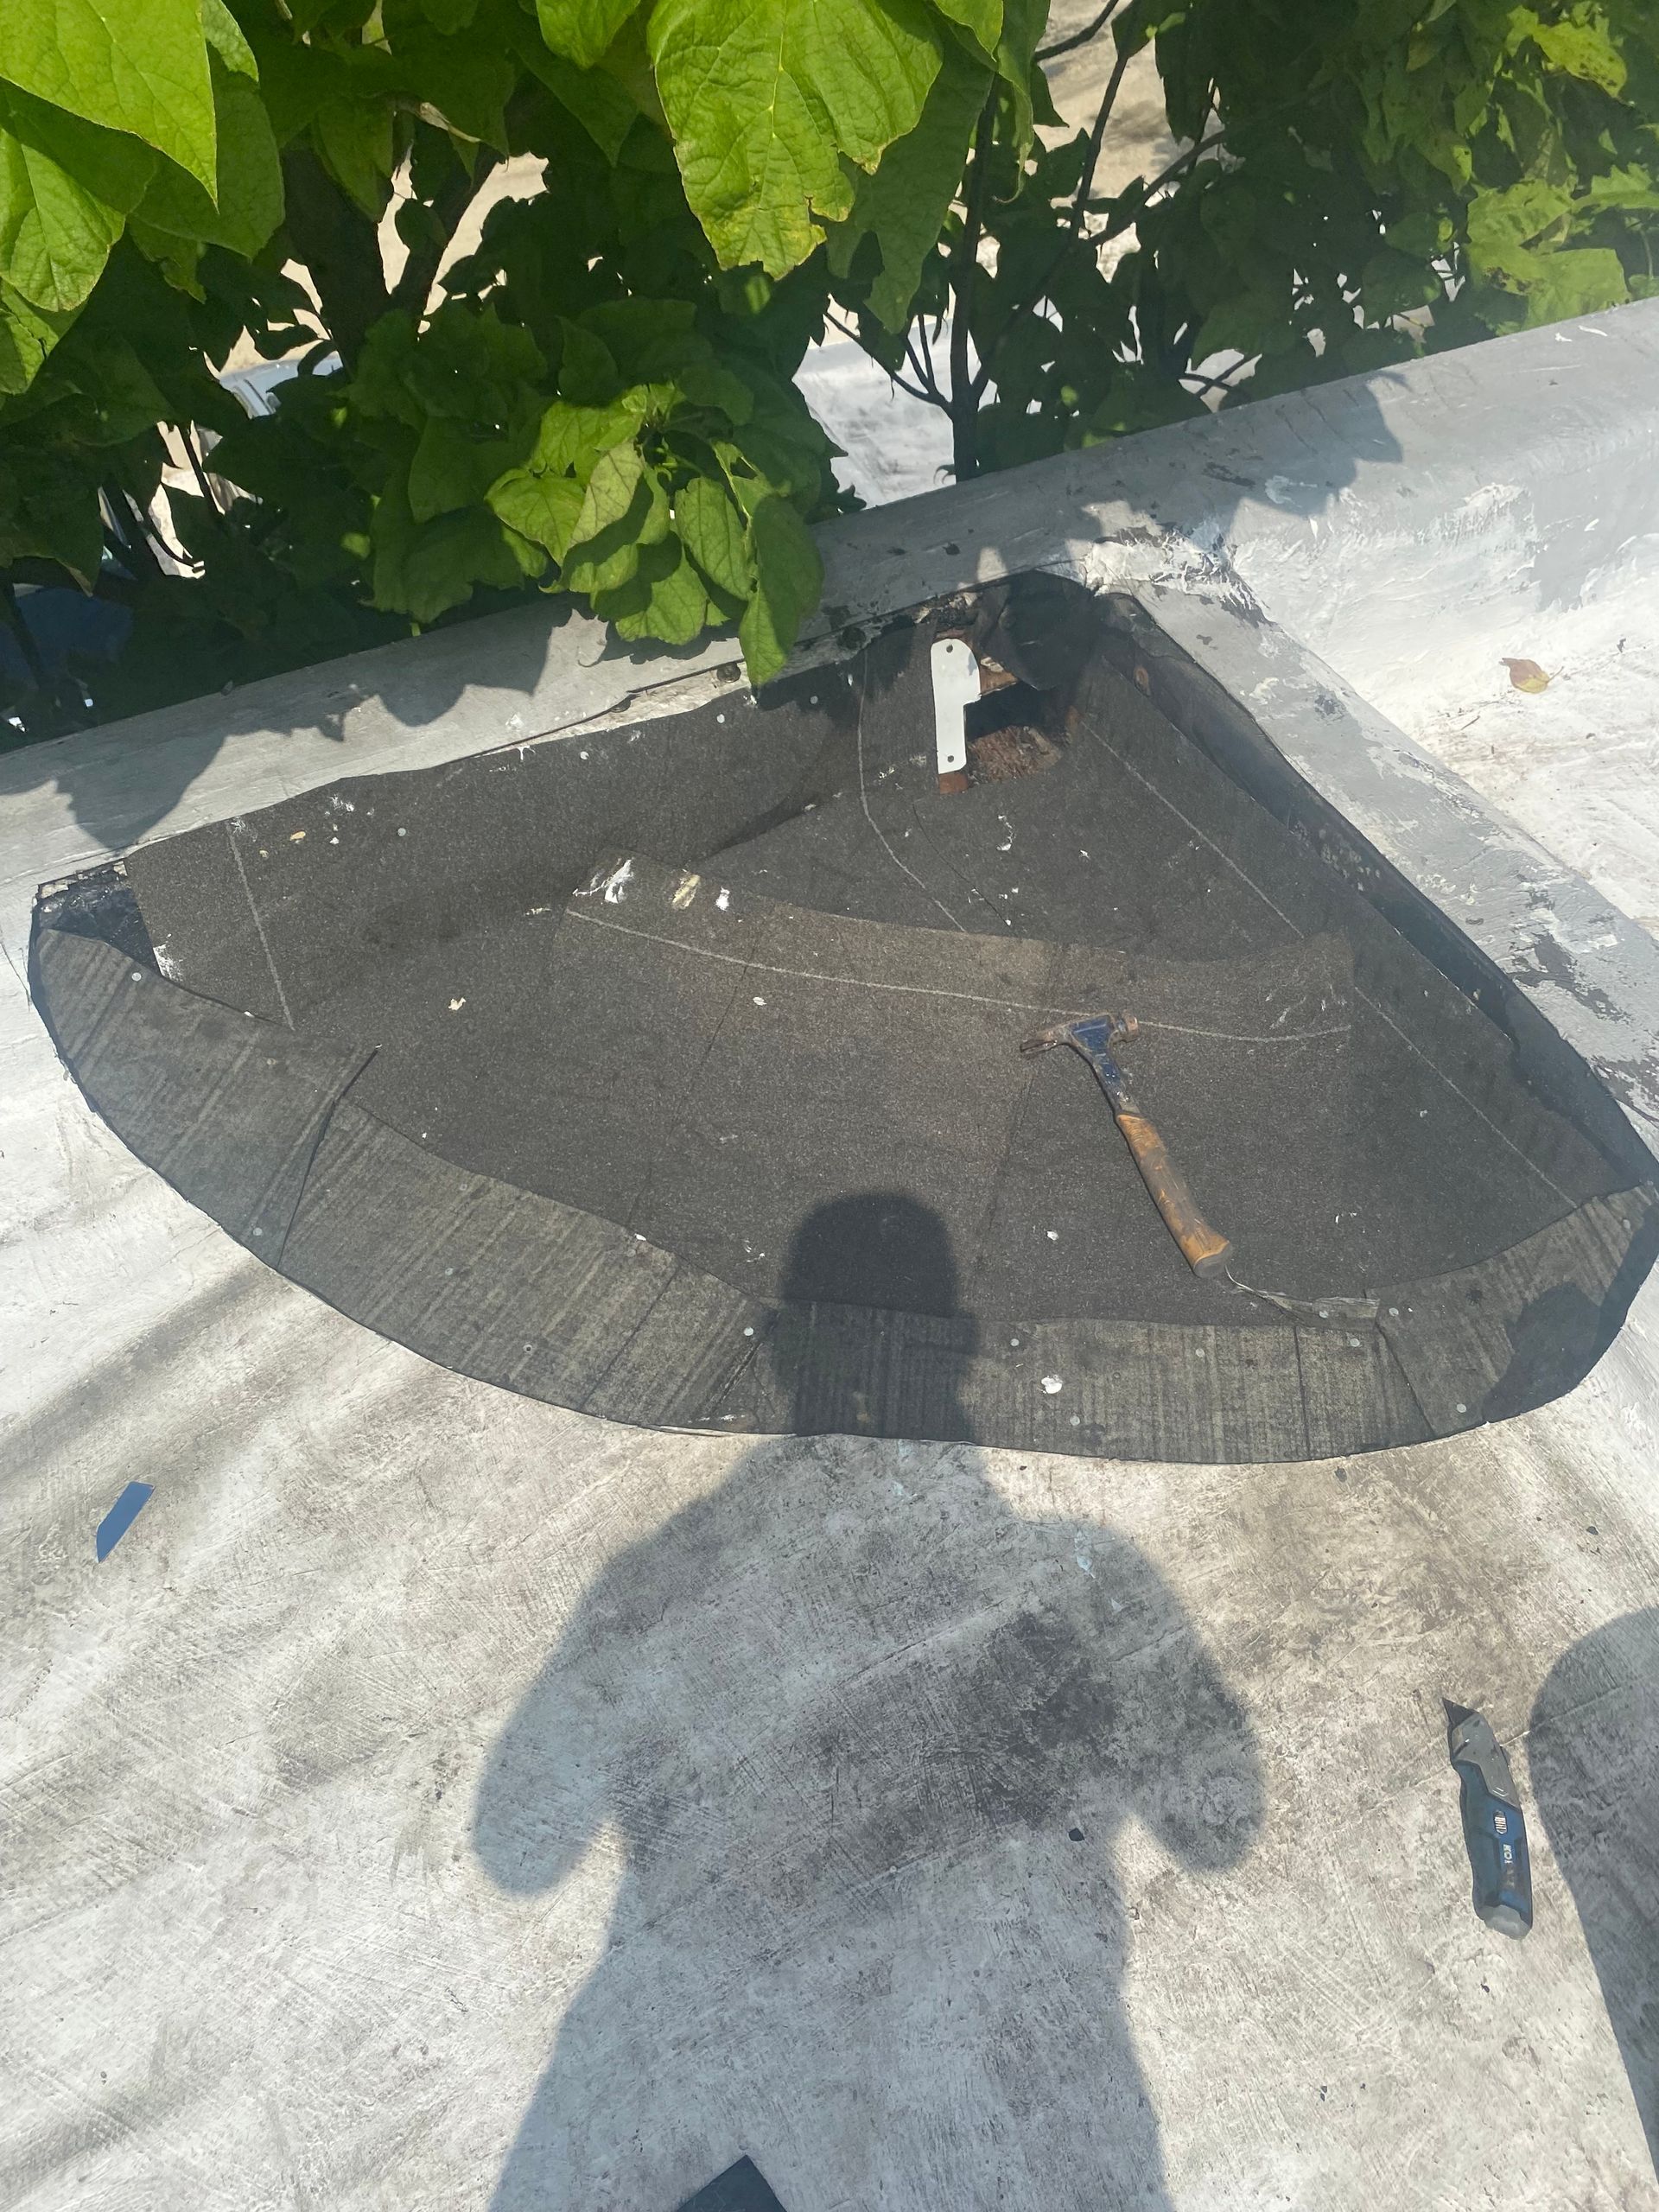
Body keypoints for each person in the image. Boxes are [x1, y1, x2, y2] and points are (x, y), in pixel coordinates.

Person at [474, 1196, 1263, 2209]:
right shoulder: (1088, 1582)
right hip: (1006, 2137)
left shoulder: (661, 1583)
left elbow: (519, 1845)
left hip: (724, 2115)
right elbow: (1220, 1824)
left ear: (777, 1347)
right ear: (963, 1351)